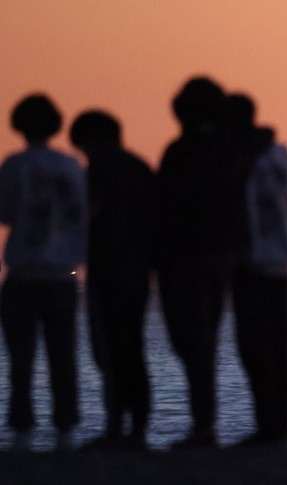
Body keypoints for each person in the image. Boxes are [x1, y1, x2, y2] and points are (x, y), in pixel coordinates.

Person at [156, 77, 243, 449]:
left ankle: (202, 424)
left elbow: (163, 207)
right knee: (207, 340)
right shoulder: (233, 151)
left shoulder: (179, 152)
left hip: (186, 260)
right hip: (223, 259)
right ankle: (209, 423)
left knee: (191, 342)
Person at [0, 94, 87, 451]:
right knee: (63, 355)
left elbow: (5, 212)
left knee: (21, 359)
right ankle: (66, 429)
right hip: (62, 274)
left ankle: (22, 430)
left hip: (22, 273)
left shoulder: (15, 164)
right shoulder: (71, 166)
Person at [70, 110, 154, 449]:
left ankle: (116, 426)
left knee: (108, 352)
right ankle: (137, 427)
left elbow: (87, 214)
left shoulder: (98, 170)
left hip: (108, 271)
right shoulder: (141, 168)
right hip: (138, 273)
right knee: (131, 349)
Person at [227, 93, 287, 446]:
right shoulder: (282, 155)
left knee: (253, 348)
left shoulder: (237, 159)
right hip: (281, 264)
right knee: (279, 350)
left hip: (251, 265)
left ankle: (266, 427)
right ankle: (281, 427)